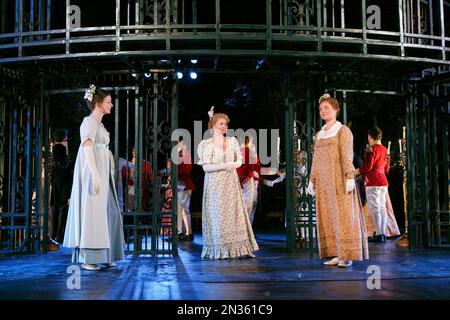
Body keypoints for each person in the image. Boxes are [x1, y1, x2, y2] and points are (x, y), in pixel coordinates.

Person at [63, 85, 124, 271]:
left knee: (110, 211)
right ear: (98, 103)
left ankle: (107, 254)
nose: (111, 105)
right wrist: (95, 174)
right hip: (93, 173)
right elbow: (88, 149)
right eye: (108, 102)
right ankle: (88, 257)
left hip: (104, 174)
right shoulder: (88, 122)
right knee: (93, 212)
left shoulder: (101, 125)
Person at [308, 93, 369, 268]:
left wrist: (349, 177)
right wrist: (312, 180)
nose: (323, 111)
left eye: (327, 108)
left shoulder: (343, 131)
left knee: (343, 216)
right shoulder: (320, 134)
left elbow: (346, 155)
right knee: (328, 217)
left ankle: (346, 255)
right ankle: (335, 253)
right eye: (320, 109)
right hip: (324, 183)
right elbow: (316, 158)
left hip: (339, 179)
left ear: (336, 110)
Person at [197, 107, 258, 259]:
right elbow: (206, 167)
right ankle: (221, 249)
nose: (224, 127)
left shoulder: (232, 141)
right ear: (212, 126)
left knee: (236, 214)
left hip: (231, 182)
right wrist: (226, 165)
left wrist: (233, 164)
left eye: (226, 124)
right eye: (221, 124)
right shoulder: (206, 144)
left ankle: (243, 248)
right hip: (215, 184)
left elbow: (239, 160)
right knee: (218, 216)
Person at [356, 127, 391, 243]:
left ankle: (380, 234)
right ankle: (382, 234)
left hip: (373, 181)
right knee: (382, 208)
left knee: (375, 208)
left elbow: (367, 167)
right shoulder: (385, 150)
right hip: (383, 181)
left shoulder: (371, 149)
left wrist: (356, 171)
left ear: (370, 136)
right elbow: (386, 169)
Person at [49, 128, 72, 247]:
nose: (67, 139)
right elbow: (65, 169)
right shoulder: (61, 150)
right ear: (63, 138)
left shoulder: (52, 150)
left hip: (56, 185)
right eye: (66, 137)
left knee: (56, 210)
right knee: (62, 210)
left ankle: (54, 235)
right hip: (62, 185)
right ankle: (59, 235)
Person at [177, 137, 195, 242]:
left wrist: (173, 172)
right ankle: (188, 233)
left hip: (183, 185)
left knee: (180, 209)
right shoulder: (183, 152)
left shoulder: (183, 153)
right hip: (185, 184)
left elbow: (187, 169)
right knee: (185, 210)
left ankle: (179, 232)